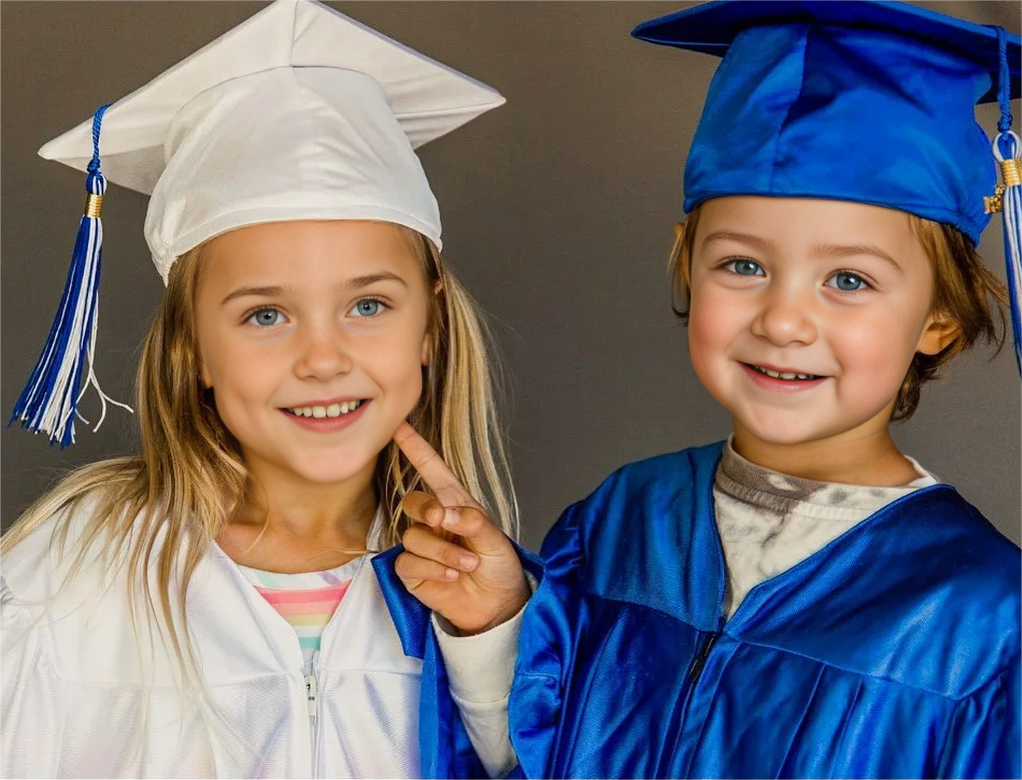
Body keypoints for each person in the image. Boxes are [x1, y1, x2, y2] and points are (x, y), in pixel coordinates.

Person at [392, 0, 1022, 777]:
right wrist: (496, 624)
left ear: (940, 319)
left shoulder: (982, 618)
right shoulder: (618, 523)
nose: (783, 319)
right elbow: (534, 759)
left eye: (849, 280)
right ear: (688, 267)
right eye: (743, 266)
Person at [0, 0, 525, 776]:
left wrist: (492, 641)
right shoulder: (75, 576)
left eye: (368, 305)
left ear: (430, 327)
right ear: (195, 351)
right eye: (265, 314)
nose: (323, 358)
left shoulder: (474, 594)